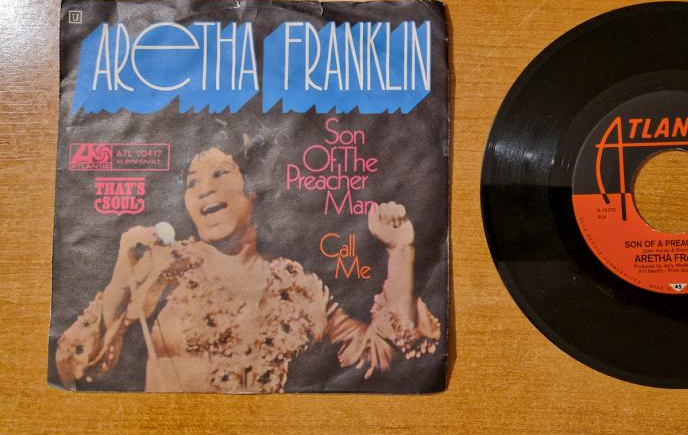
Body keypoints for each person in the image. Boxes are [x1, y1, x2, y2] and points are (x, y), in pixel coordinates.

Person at [55, 137, 440, 393]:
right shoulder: (163, 266)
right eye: (192, 182)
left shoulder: (297, 286)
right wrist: (122, 281)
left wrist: (400, 252)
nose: (204, 189)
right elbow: (72, 368)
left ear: (253, 189)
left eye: (220, 173)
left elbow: (380, 356)